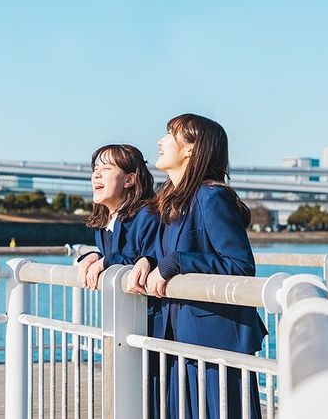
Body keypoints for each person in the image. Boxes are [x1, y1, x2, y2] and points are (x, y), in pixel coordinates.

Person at [127, 113, 267, 419]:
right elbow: (163, 251)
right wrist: (149, 260)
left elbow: (241, 266)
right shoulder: (173, 200)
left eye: (169, 134)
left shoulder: (210, 196)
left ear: (191, 149)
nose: (160, 142)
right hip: (180, 340)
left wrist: (178, 263)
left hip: (216, 343)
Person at [77, 144, 159, 290]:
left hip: (148, 310)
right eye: (95, 169)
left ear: (129, 180)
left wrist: (105, 262)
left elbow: (152, 262)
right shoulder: (104, 223)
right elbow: (117, 255)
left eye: (106, 169)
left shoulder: (147, 216)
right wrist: (96, 256)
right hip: (123, 309)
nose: (96, 175)